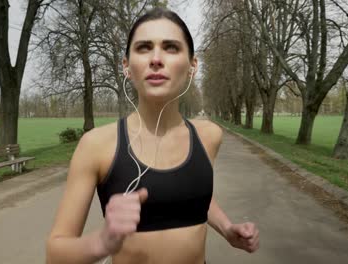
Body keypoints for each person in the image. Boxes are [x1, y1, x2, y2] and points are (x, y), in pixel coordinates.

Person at [46, 7, 259, 264]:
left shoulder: (209, 136)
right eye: (144, 47)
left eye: (171, 47)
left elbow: (193, 193)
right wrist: (102, 241)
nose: (156, 58)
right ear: (126, 66)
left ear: (192, 66)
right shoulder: (96, 145)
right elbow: (55, 255)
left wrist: (226, 228)